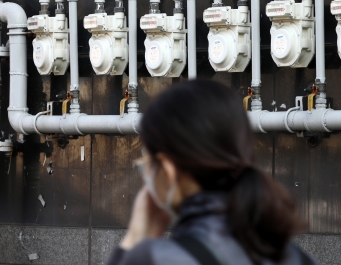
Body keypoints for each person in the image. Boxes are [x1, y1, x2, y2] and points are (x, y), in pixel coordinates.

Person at [106, 80, 317, 265]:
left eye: (148, 163)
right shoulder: (299, 258)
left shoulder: (153, 258)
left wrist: (133, 239)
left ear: (168, 169)